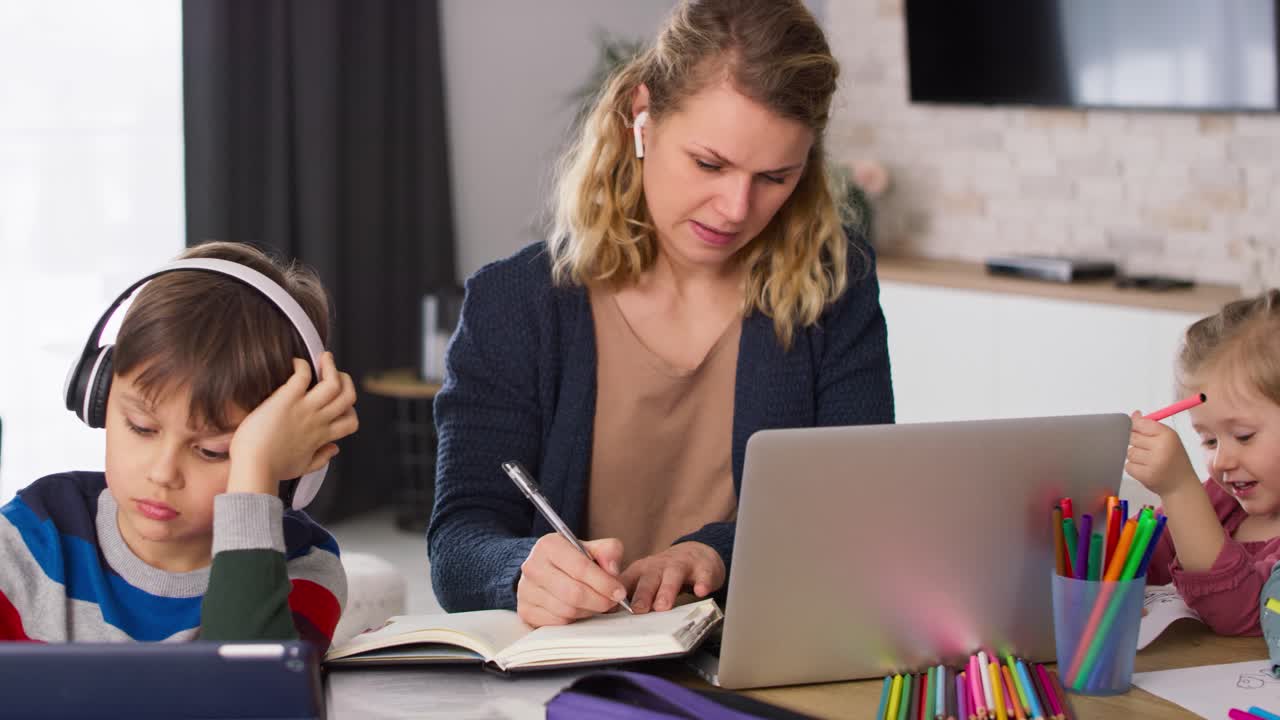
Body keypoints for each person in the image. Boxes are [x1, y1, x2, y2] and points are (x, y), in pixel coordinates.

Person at [429, 0, 894, 627]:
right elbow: (458, 539)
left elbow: (856, 506)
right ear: (641, 119)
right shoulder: (514, 303)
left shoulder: (834, 288)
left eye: (775, 177)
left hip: (755, 652)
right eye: (710, 164)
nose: (735, 208)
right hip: (575, 668)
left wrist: (716, 551)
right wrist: (520, 571)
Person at [0, 241, 358, 648]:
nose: (163, 473)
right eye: (140, 427)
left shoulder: (303, 567)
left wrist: (255, 471)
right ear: (94, 394)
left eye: (212, 451)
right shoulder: (29, 537)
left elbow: (252, 695)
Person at [1127, 289, 1280, 635]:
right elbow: (1139, 551)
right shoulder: (1223, 500)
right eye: (1209, 440)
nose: (1221, 460)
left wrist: (1179, 488)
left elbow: (1238, 611)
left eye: (1243, 436)